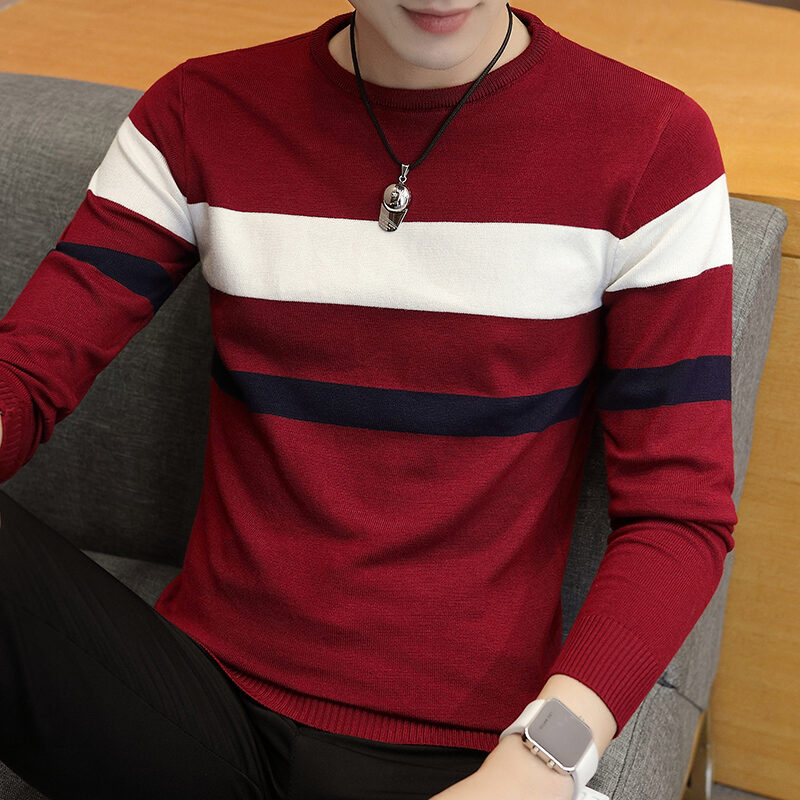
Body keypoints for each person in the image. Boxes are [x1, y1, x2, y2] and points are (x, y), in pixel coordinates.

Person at [0, 1, 737, 798]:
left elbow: (677, 514)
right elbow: (30, 370)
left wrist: (540, 763)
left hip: (457, 750)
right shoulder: (198, 110)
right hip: (192, 697)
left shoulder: (652, 143)